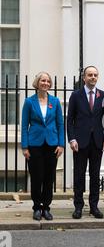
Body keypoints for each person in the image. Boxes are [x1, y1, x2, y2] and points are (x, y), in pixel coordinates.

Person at [67, 66, 104, 219]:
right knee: (79, 175)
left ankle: (94, 207)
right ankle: (78, 207)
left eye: (95, 75)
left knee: (95, 175)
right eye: (90, 75)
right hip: (80, 142)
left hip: (97, 141)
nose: (93, 77)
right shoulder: (76, 95)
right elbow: (69, 120)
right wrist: (71, 139)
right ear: (84, 77)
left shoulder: (103, 95)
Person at [21, 72, 64, 221]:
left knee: (49, 177)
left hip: (52, 144)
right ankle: (37, 207)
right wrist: (24, 147)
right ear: (37, 83)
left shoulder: (55, 101)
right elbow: (24, 125)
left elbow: (60, 124)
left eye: (47, 81)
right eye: (42, 80)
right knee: (37, 177)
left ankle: (46, 207)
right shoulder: (29, 102)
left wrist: (61, 144)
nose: (45, 83)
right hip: (35, 144)